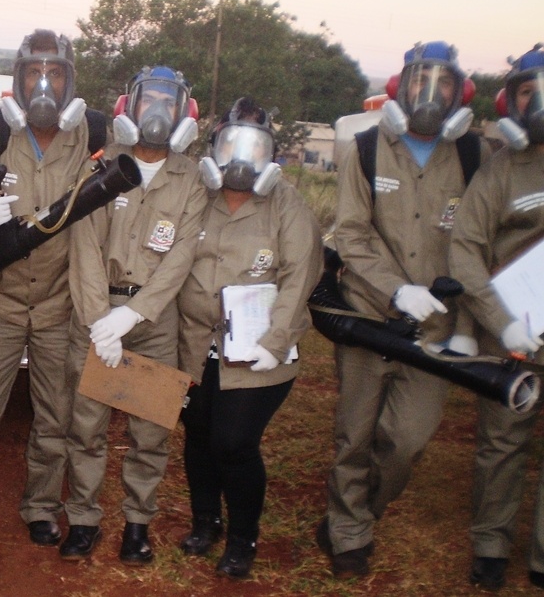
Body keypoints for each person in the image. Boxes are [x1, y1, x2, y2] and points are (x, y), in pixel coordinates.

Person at [316, 40, 492, 579]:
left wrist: (466, 328)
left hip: (436, 330)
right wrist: (396, 289)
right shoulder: (368, 149)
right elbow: (350, 232)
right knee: (355, 434)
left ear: (459, 93)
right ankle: (348, 532)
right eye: (420, 81)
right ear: (400, 88)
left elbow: (481, 245)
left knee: (405, 443)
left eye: (442, 83)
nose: (430, 93)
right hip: (371, 316)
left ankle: (362, 510)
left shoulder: (474, 156)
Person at [59, 65, 206, 564]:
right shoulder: (103, 168)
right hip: (96, 317)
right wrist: (102, 320)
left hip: (153, 323)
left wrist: (135, 315)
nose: (158, 112)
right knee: (87, 428)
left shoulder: (192, 180)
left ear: (185, 111)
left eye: (170, 101)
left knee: (149, 433)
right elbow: (84, 247)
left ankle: (137, 525)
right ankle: (82, 520)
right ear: (130, 106)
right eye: (149, 100)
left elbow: (181, 258)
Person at [177, 97, 322, 578]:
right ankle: (206, 521)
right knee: (197, 433)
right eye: (231, 140)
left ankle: (243, 537)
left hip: (260, 351)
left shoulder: (286, 204)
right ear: (215, 143)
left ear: (269, 151)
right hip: (196, 343)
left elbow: (301, 274)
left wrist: (274, 340)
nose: (241, 152)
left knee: (234, 443)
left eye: (253, 142)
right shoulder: (196, 194)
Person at [0, 29, 95, 546]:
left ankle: (41, 505)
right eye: (34, 72)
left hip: (59, 305)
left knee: (54, 418)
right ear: (18, 79)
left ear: (69, 81)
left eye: (55, 72)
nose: (45, 82)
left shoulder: (92, 134)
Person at [448, 44, 544, 592]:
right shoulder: (500, 170)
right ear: (513, 101)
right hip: (514, 330)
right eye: (530, 91)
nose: (541, 101)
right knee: (503, 441)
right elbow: (465, 249)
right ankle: (491, 543)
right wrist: (499, 319)